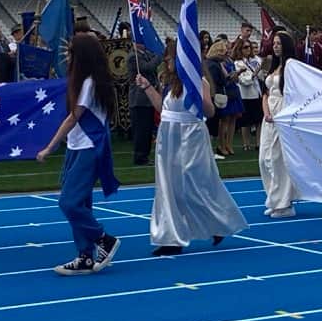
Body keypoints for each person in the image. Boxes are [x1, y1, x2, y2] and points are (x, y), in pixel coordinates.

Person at [135, 41, 248, 256]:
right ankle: (171, 238)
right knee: (170, 187)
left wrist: (199, 95)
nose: (166, 62)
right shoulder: (170, 83)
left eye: (169, 58)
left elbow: (210, 111)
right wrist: (147, 88)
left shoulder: (198, 81)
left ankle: (217, 223)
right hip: (169, 136)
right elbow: (163, 108)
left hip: (191, 135)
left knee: (194, 184)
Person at [37, 34, 121, 275]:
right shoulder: (83, 80)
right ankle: (85, 255)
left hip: (88, 146)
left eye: (71, 52)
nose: (67, 55)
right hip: (77, 146)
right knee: (80, 202)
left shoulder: (89, 83)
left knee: (69, 202)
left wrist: (49, 147)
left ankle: (103, 239)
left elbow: (74, 116)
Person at [260, 31, 300, 218]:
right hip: (269, 114)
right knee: (265, 159)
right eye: (273, 43)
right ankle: (274, 198)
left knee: (279, 159)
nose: (275, 46)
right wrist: (267, 112)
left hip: (283, 114)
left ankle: (285, 203)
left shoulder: (292, 67)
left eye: (278, 43)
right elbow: (266, 93)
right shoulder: (273, 66)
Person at [127, 41, 163, 165]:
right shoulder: (133, 57)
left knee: (147, 130)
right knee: (141, 130)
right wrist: (159, 55)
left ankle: (145, 155)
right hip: (139, 99)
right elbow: (147, 68)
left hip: (148, 98)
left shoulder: (145, 53)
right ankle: (140, 157)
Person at [232, 39, 263, 151]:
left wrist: (261, 71)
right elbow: (244, 81)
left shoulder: (254, 60)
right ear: (240, 49)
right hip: (246, 95)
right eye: (245, 47)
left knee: (258, 120)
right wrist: (254, 74)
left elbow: (261, 76)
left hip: (257, 93)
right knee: (246, 122)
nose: (248, 49)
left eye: (249, 47)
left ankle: (258, 143)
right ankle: (246, 144)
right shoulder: (237, 63)